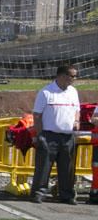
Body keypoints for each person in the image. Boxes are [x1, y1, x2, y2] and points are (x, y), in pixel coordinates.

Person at [30, 65, 81, 204]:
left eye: (75, 76)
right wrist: (40, 135)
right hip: (49, 135)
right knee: (44, 167)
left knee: (67, 168)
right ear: (62, 76)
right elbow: (37, 115)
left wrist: (76, 120)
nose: (74, 79)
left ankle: (66, 195)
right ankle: (38, 193)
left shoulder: (73, 92)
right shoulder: (46, 92)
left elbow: (77, 108)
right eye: (72, 76)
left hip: (67, 136)